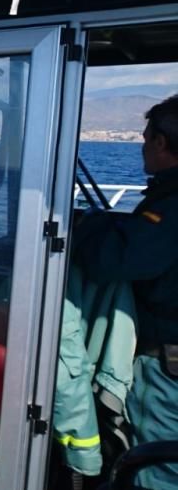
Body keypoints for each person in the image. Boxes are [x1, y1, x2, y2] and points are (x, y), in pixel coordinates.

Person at [71, 94, 178, 488]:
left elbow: (115, 260)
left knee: (158, 470)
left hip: (167, 372)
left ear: (161, 143)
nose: (141, 146)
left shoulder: (171, 209)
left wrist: (86, 228)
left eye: (145, 138)